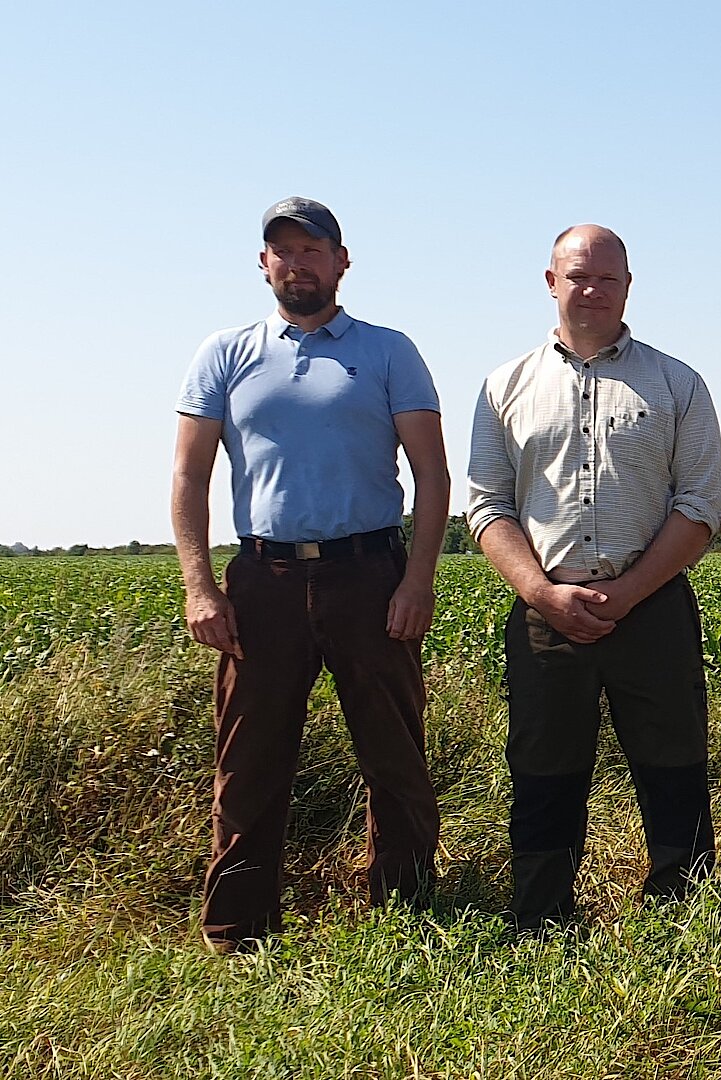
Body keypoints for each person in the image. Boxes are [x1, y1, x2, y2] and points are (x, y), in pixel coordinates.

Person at [171, 197, 449, 951]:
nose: (298, 264)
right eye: (284, 251)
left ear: (341, 262)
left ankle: (407, 913)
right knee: (249, 760)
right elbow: (189, 477)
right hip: (262, 581)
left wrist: (416, 581)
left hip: (370, 575)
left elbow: (432, 475)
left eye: (312, 250)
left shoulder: (389, 352)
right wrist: (200, 586)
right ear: (263, 264)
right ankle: (237, 931)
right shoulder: (224, 354)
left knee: (393, 752)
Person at [469, 225, 721, 931]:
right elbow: (487, 506)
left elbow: (703, 504)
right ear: (551, 282)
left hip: (653, 607)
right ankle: (541, 918)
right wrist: (541, 593)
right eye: (578, 276)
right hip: (545, 611)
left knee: (674, 760)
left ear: (628, 286)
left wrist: (631, 590)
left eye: (607, 278)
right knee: (542, 767)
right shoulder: (505, 386)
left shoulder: (676, 383)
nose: (592, 290)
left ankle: (682, 915)